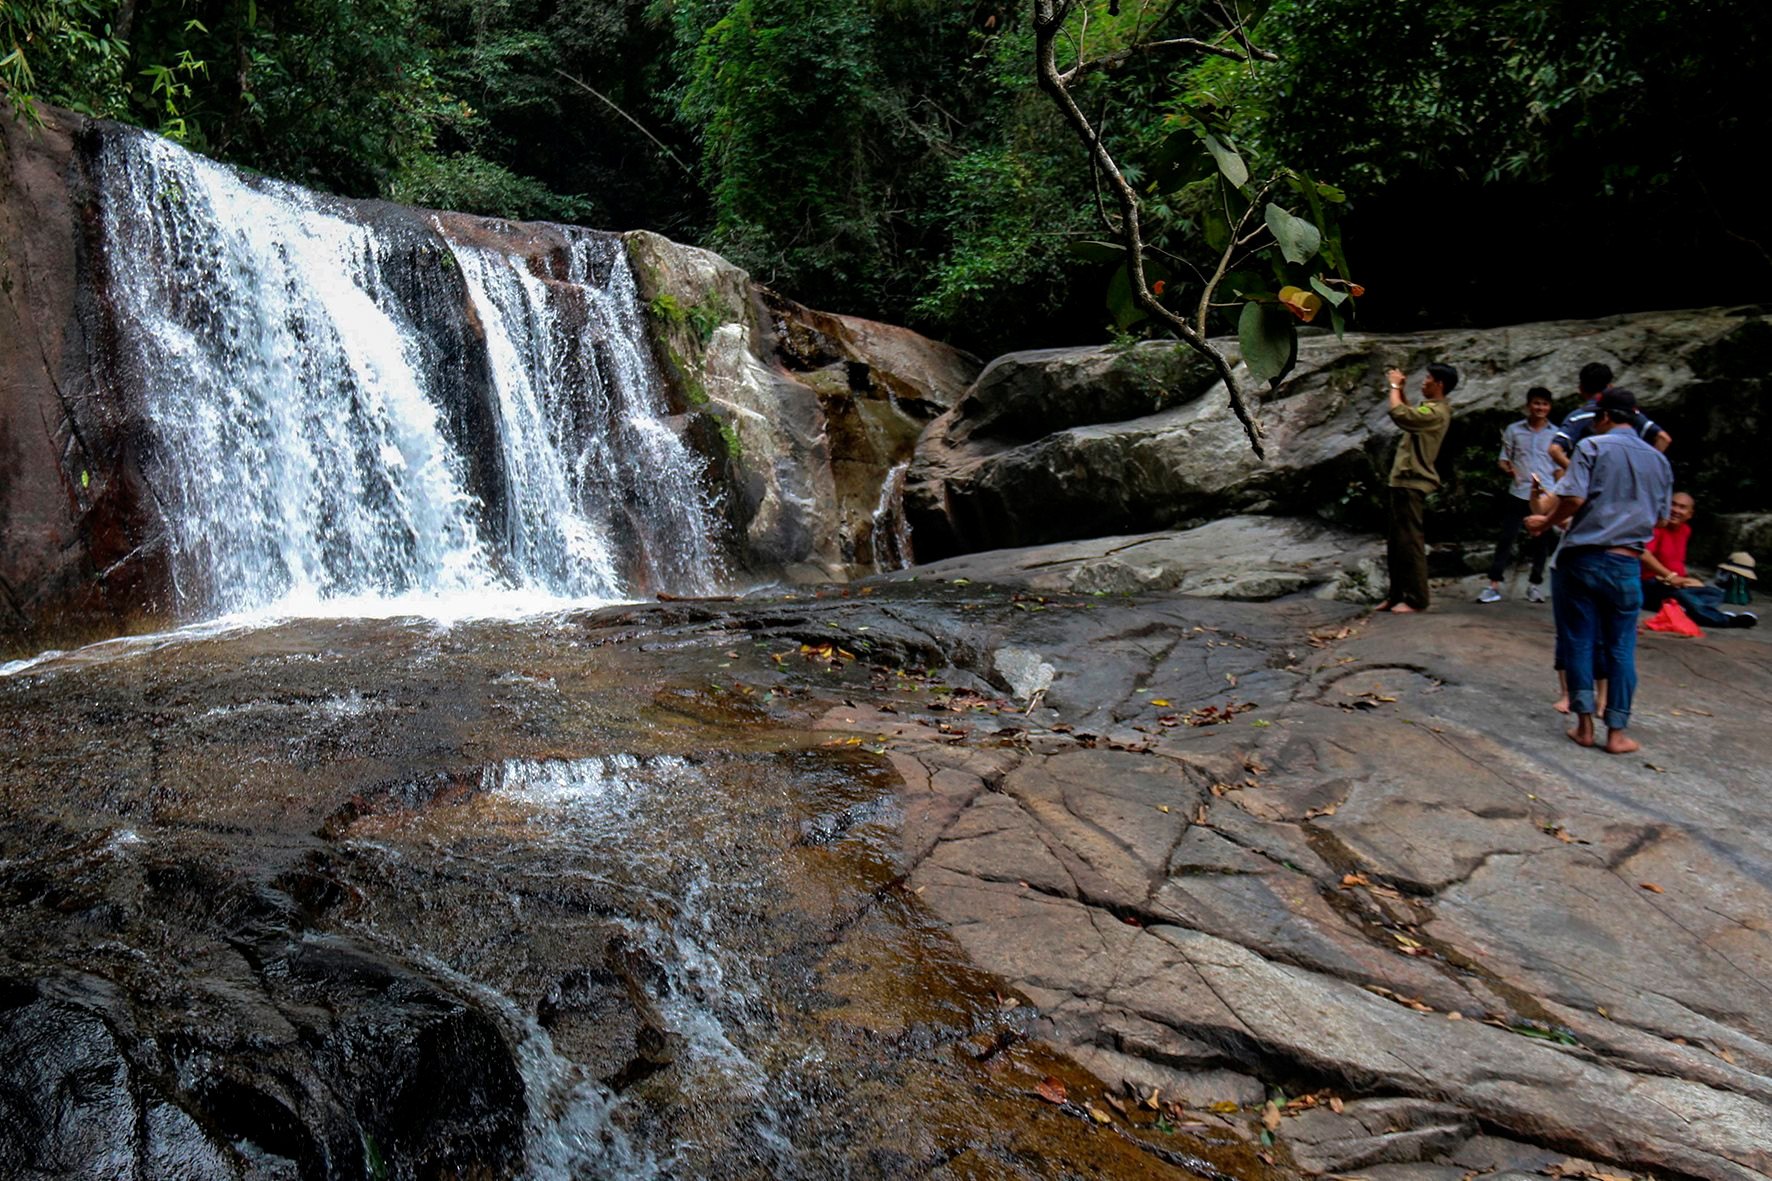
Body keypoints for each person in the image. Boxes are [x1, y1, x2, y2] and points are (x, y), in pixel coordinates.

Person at [1527, 388, 1673, 754]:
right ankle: (1618, 733)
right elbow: (1661, 517)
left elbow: (1574, 499)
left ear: (1604, 417)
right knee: (1622, 647)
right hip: (1626, 562)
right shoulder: (1659, 461)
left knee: (1578, 638)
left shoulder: (1593, 447)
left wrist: (1545, 521)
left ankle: (1584, 726)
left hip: (1582, 559)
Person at [1377, 362, 1456, 614]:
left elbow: (1400, 415)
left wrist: (1393, 386)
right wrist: (1400, 389)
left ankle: (1416, 599)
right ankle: (1397, 594)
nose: (1424, 382)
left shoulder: (1438, 412)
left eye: (1428, 378)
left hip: (1412, 482)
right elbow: (1410, 413)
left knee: (1410, 542)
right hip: (1401, 481)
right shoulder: (1429, 409)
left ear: (1439, 384)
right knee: (1396, 543)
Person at [1479, 386, 1557, 603]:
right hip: (1519, 491)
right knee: (1507, 538)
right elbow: (1504, 459)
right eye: (1536, 403)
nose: (1540, 407)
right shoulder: (1514, 430)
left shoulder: (1556, 434)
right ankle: (1493, 585)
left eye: (1544, 404)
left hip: (1545, 495)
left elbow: (1559, 464)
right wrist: (1508, 469)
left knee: (1541, 543)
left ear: (1549, 407)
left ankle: (1534, 585)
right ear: (1528, 405)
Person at [1639, 492, 1758, 628]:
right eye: (1673, 505)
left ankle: (1689, 610)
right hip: (1651, 585)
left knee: (1715, 593)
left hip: (1675, 584)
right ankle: (1724, 620)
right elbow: (1644, 554)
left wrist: (1687, 579)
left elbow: (1675, 561)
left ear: (1690, 514)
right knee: (1682, 596)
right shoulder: (1658, 527)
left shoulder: (1685, 530)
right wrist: (1670, 577)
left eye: (1682, 507)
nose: (1676, 510)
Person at [1547, 362, 1671, 477]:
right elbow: (1663, 439)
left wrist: (1581, 476)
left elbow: (1554, 450)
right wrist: (1642, 472)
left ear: (1580, 388)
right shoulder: (1630, 412)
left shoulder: (1578, 417)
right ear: (1610, 386)